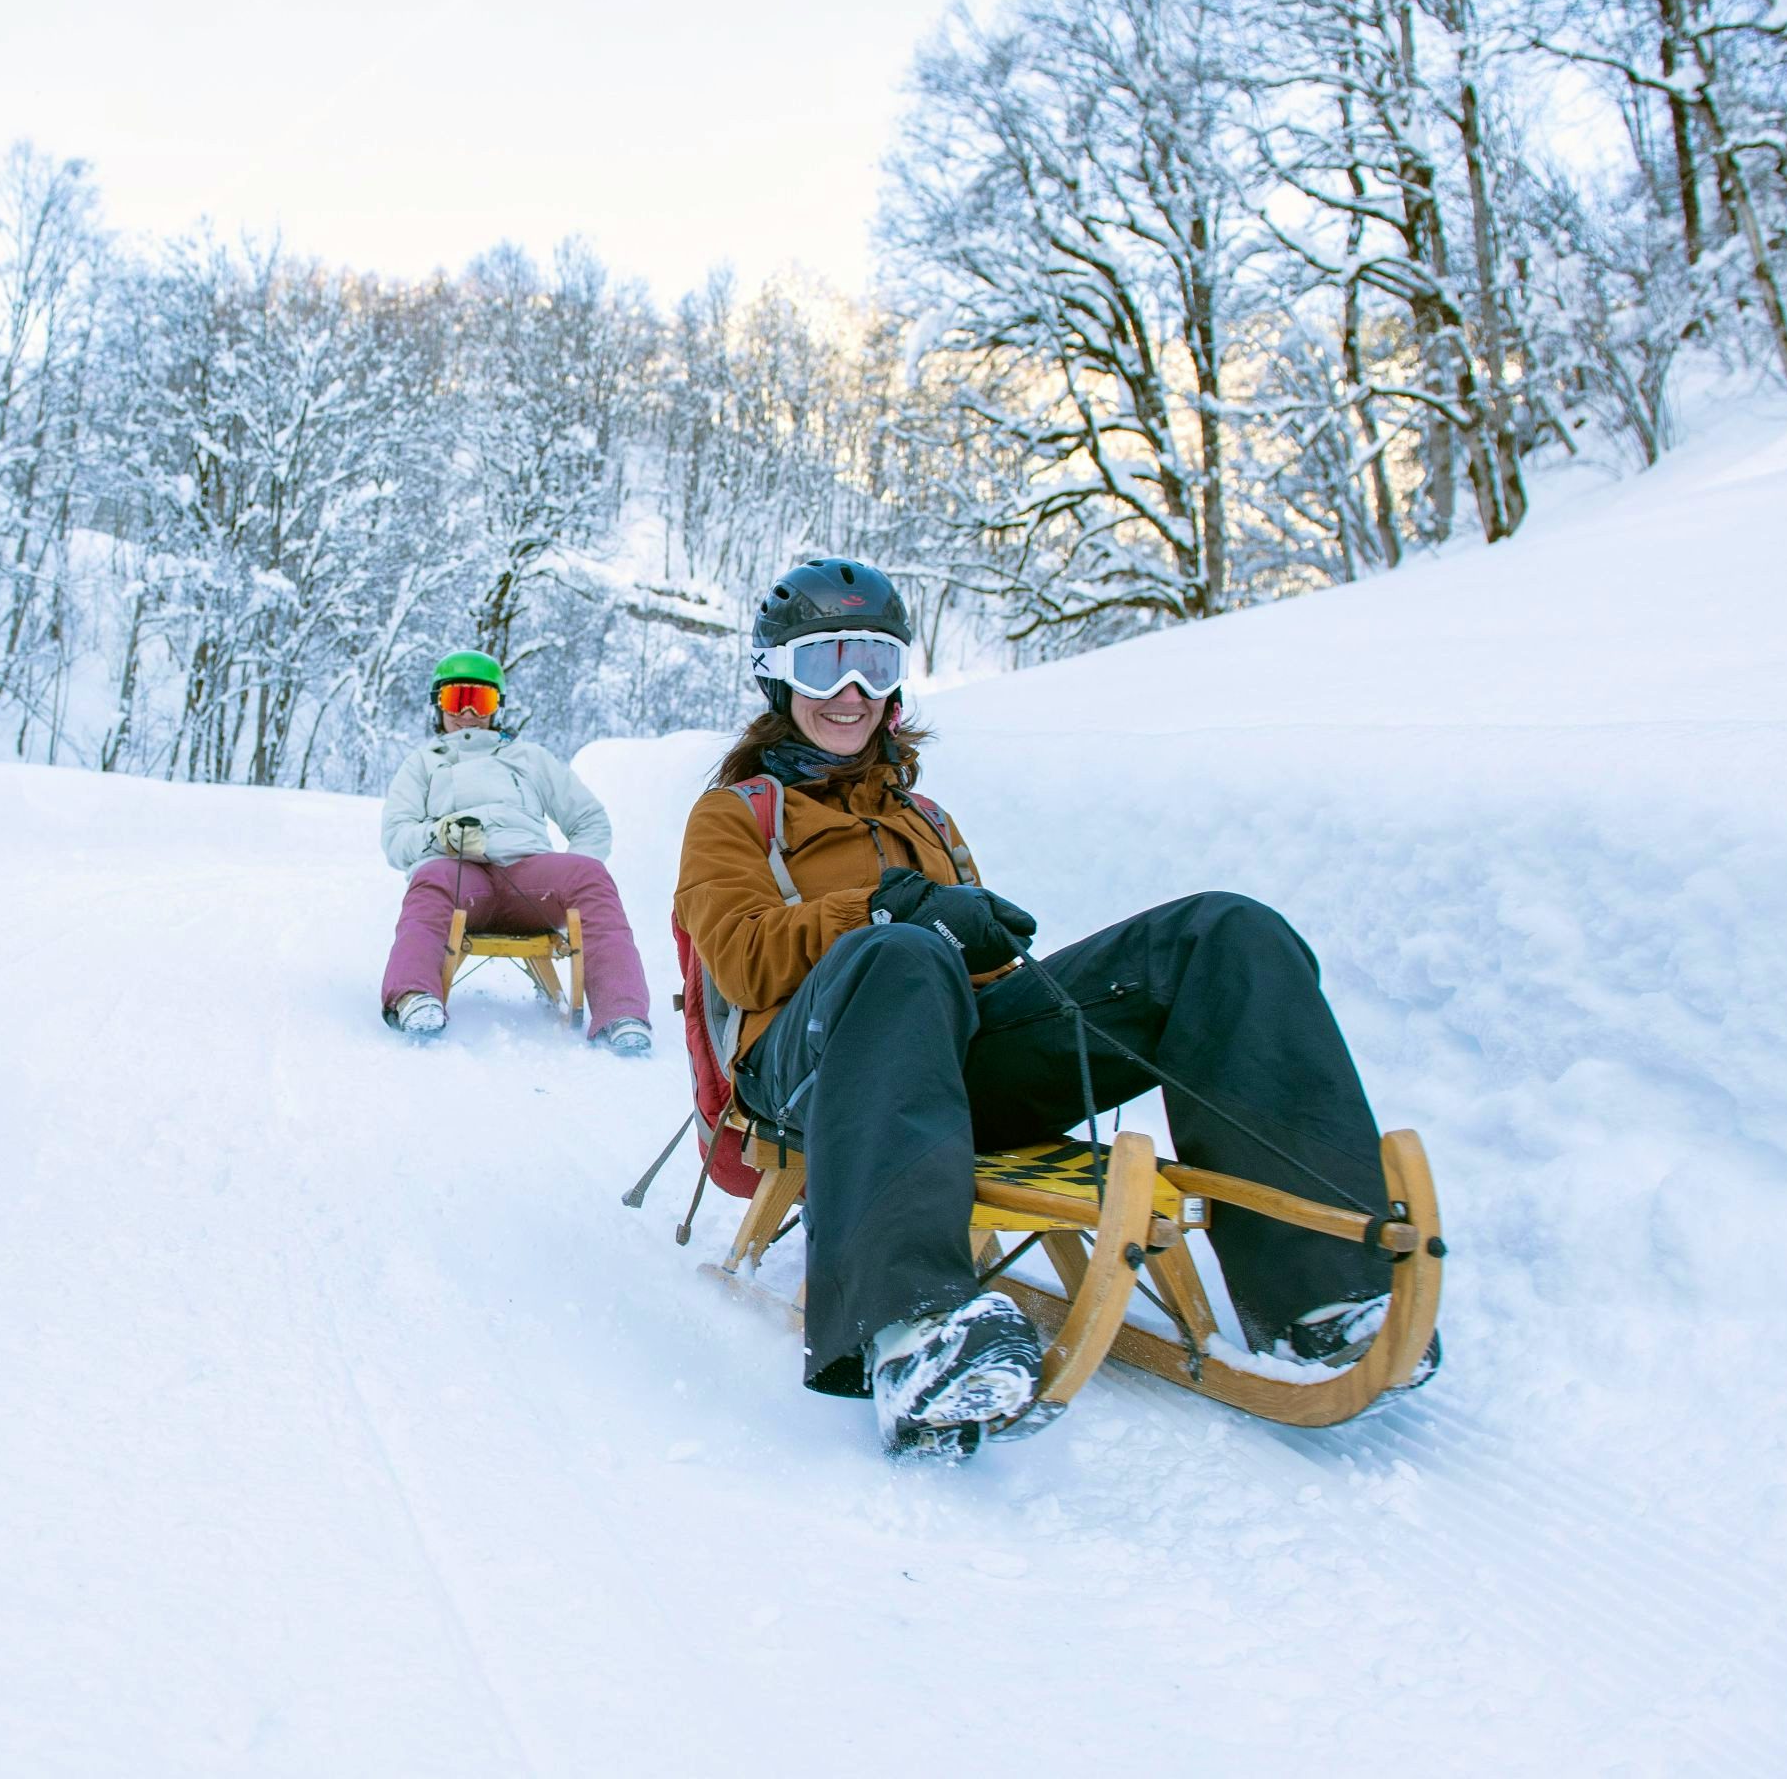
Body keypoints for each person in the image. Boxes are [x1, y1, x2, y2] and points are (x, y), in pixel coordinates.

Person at [673, 558, 1437, 1457]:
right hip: (811, 1071)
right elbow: (746, 961)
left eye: (873, 666)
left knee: (1222, 933)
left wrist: (983, 950)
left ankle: (1321, 1293)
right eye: (822, 665)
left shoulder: (928, 818)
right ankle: (914, 1330)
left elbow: (954, 978)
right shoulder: (734, 815)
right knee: (901, 953)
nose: (849, 692)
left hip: (941, 1059)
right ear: (777, 677)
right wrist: (885, 912)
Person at [378, 650, 655, 1053]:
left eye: (483, 700)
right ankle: (412, 995)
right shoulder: (422, 765)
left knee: (591, 877)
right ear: (439, 705)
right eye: (458, 699)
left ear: (498, 707)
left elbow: (589, 820)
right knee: (429, 878)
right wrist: (441, 834)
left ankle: (622, 1012)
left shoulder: (529, 758)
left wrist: (574, 876)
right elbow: (395, 839)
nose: (469, 712)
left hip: (531, 881)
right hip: (460, 879)